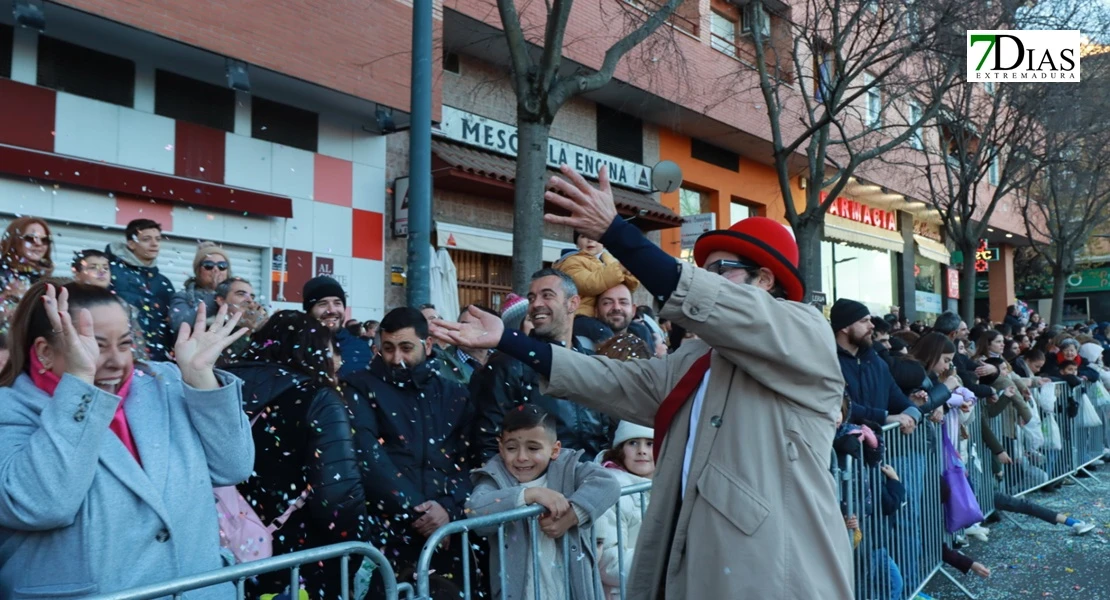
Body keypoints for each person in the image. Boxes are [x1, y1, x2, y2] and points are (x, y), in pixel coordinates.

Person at [434, 164, 853, 599]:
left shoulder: (804, 331)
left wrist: (615, 232)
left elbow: (700, 297)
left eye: (720, 269)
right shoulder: (698, 355)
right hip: (702, 563)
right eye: (702, 268)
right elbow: (613, 379)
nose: (706, 279)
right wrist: (510, 340)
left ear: (765, 279)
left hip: (774, 571)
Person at [0, 281, 253, 598]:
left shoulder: (164, 382)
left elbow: (233, 467)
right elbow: (41, 505)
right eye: (96, 346)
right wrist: (81, 382)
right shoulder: (10, 409)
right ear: (45, 352)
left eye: (124, 344)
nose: (118, 362)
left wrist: (201, 377)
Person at [223, 311, 368, 598]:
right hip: (299, 557)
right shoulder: (318, 396)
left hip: (225, 552)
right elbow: (337, 496)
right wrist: (353, 550)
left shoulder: (220, 385)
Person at [342, 307, 476, 586]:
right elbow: (368, 456)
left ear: (427, 345)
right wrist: (421, 513)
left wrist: (449, 509)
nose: (396, 358)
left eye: (405, 347)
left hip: (447, 532)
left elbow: (470, 459)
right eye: (388, 348)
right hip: (388, 531)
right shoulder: (359, 386)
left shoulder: (455, 393)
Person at [467, 405, 620, 600]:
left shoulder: (569, 468)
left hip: (573, 591)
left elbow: (608, 484)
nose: (522, 457)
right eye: (512, 448)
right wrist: (530, 494)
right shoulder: (494, 477)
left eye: (533, 448)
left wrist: (571, 517)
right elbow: (474, 509)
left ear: (555, 449)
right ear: (500, 448)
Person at [470, 269, 616, 463]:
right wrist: (522, 491)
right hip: (535, 489)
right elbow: (489, 442)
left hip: (590, 485)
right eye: (531, 298)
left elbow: (607, 434)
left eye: (547, 295)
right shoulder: (507, 365)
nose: (536, 304)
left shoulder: (592, 363)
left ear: (573, 303)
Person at [831, 298, 921, 433]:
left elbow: (897, 398)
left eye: (870, 320)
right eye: (864, 321)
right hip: (846, 448)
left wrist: (912, 415)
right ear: (844, 327)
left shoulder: (876, 361)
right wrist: (884, 418)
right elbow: (840, 406)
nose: (871, 325)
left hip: (879, 450)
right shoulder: (828, 362)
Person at [106, 219, 176, 360]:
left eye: (158, 239)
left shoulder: (163, 282)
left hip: (159, 359)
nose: (154, 244)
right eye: (146, 239)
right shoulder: (110, 274)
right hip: (122, 355)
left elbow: (171, 323)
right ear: (131, 243)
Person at [302, 276, 372, 376]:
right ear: (309, 311)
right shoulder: (299, 347)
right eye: (322, 304)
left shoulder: (361, 347)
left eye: (337, 303)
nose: (332, 310)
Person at [170, 242, 231, 335]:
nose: (216, 269)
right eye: (209, 265)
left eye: (222, 266)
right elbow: (179, 323)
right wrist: (215, 296)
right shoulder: (183, 296)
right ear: (198, 271)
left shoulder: (236, 294)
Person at [0, 217, 53, 292]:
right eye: (31, 238)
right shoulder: (2, 272)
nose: (39, 243)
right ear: (14, 241)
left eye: (45, 240)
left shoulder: (45, 279)